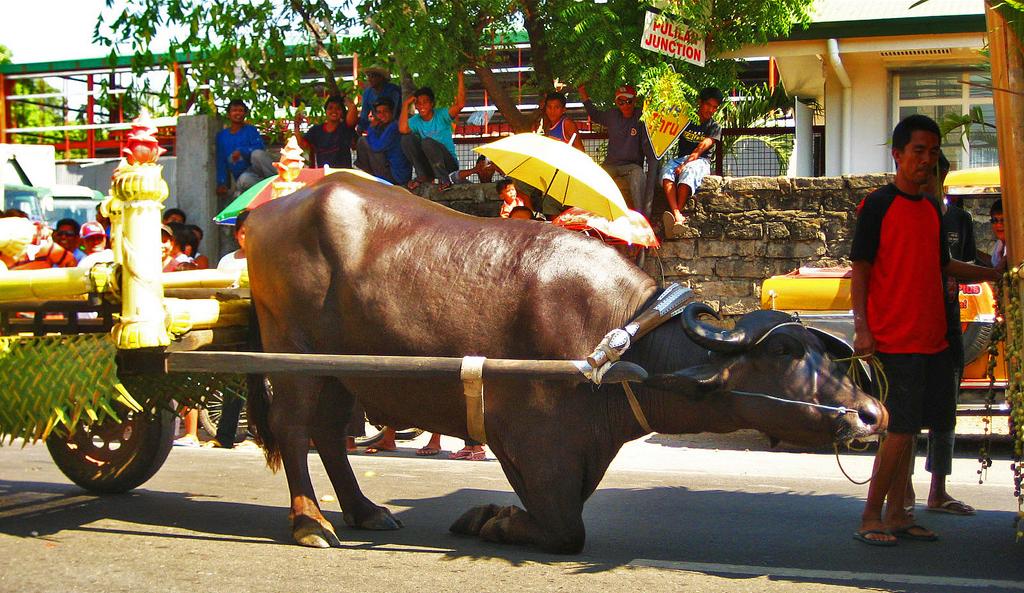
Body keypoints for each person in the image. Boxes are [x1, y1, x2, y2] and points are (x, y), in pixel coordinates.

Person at [851, 114, 1000, 546]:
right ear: (898, 154)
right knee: (897, 431)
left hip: (933, 336)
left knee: (911, 429)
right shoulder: (878, 204)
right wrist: (863, 329)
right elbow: (860, 268)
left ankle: (898, 515)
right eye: (919, 151)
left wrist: (992, 272)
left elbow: (942, 265)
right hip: (893, 337)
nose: (926, 160)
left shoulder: (934, 209)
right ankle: (869, 517)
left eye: (933, 153)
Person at [902, 152, 976, 518]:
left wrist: (997, 270)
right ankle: (904, 488)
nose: (931, 182)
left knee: (946, 410)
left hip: (948, 322)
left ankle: (938, 490)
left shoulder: (958, 219)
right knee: (907, 411)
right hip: (913, 323)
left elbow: (965, 262)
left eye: (936, 176)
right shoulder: (906, 214)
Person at [204, 210, 252, 449]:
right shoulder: (227, 261)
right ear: (236, 234)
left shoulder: (267, 258)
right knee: (234, 383)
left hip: (257, 324)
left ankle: (262, 436)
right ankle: (224, 435)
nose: (248, 238)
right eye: (244, 233)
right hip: (232, 322)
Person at [578, 84, 659, 218]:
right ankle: (595, 217)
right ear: (616, 103)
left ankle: (641, 218)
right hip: (611, 165)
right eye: (621, 102)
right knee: (594, 178)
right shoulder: (612, 115)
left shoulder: (643, 116)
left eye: (629, 101)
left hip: (632, 167)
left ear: (635, 101)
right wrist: (583, 94)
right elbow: (594, 115)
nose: (625, 105)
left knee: (638, 175)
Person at [660, 87, 724, 238]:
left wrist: (684, 165)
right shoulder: (685, 120)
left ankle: (677, 215)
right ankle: (677, 215)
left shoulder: (715, 127)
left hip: (701, 161)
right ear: (700, 102)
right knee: (666, 170)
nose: (711, 110)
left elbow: (700, 149)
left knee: (688, 171)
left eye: (715, 107)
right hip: (680, 158)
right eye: (709, 105)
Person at [399, 72, 466, 190]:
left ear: (432, 104)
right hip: (430, 165)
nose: (422, 105)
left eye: (425, 102)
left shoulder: (442, 115)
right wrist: (405, 105)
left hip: (448, 165)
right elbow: (403, 129)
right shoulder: (416, 120)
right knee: (406, 139)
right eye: (418, 103)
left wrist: (460, 77)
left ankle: (444, 179)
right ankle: (422, 176)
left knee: (427, 142)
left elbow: (460, 104)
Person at [215, 99, 276, 198]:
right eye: (234, 110)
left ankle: (277, 180)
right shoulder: (222, 136)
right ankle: (270, 191)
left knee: (257, 154)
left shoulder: (251, 130)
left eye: (241, 110)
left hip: (259, 170)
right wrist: (222, 183)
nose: (238, 113)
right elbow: (221, 161)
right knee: (244, 180)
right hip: (246, 176)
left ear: (245, 113)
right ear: (228, 114)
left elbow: (260, 148)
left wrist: (242, 151)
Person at [294, 94, 358, 168]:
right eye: (330, 108)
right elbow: (303, 145)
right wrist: (296, 126)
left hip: (343, 174)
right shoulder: (316, 130)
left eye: (338, 108)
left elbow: (352, 109)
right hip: (323, 173)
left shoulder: (345, 127)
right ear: (325, 111)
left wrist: (344, 99)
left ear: (342, 112)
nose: (334, 111)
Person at [362, 98, 412, 186]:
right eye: (379, 112)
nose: (382, 115)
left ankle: (372, 178)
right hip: (394, 172)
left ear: (392, 112)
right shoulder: (384, 126)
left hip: (397, 177)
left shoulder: (393, 127)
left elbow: (377, 147)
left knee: (363, 141)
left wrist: (371, 128)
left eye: (385, 111)